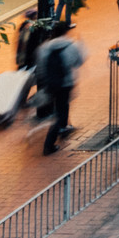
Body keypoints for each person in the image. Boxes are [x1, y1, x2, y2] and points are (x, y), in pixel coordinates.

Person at [37, 21, 84, 155]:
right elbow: (78, 62)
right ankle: (49, 144)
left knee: (59, 108)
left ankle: (63, 128)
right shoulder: (70, 45)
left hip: (50, 84)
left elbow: (40, 67)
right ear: (65, 32)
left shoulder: (44, 47)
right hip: (65, 83)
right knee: (61, 111)